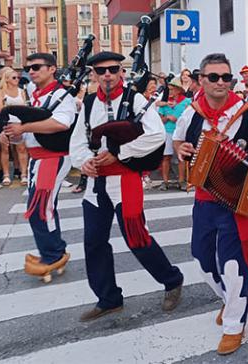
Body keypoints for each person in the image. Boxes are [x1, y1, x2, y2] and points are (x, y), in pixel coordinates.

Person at [173, 53, 248, 355]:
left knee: (234, 263)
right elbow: (178, 142)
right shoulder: (192, 113)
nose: (221, 82)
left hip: (237, 202)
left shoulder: (247, 113)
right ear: (201, 80)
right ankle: (231, 300)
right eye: (214, 77)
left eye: (226, 77)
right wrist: (180, 148)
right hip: (205, 199)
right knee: (201, 258)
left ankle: (235, 323)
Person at [69, 51, 184, 321]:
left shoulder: (135, 99)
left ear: (121, 71)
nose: (107, 74)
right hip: (96, 183)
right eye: (101, 71)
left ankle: (172, 280)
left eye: (112, 69)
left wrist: (120, 153)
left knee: (137, 238)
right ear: (94, 75)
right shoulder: (87, 103)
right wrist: (84, 160)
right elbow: (78, 141)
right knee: (94, 242)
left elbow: (155, 135)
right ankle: (108, 298)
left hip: (125, 179)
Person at [0, 53, 76, 280]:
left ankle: (52, 254)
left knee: (41, 209)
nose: (31, 71)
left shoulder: (61, 94)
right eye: (28, 68)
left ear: (52, 69)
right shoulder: (37, 95)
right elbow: (29, 130)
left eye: (36, 67)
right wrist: (12, 135)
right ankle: (53, 250)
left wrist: (23, 129)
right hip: (39, 158)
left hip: (52, 158)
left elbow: (61, 123)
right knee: (43, 208)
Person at [157, 78, 191, 191]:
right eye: (169, 89)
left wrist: (179, 119)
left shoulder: (187, 102)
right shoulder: (165, 102)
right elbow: (159, 119)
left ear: (178, 90)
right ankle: (165, 181)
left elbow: (191, 117)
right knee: (166, 157)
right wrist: (167, 118)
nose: (170, 91)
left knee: (181, 157)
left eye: (172, 89)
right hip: (167, 132)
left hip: (181, 133)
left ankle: (181, 181)